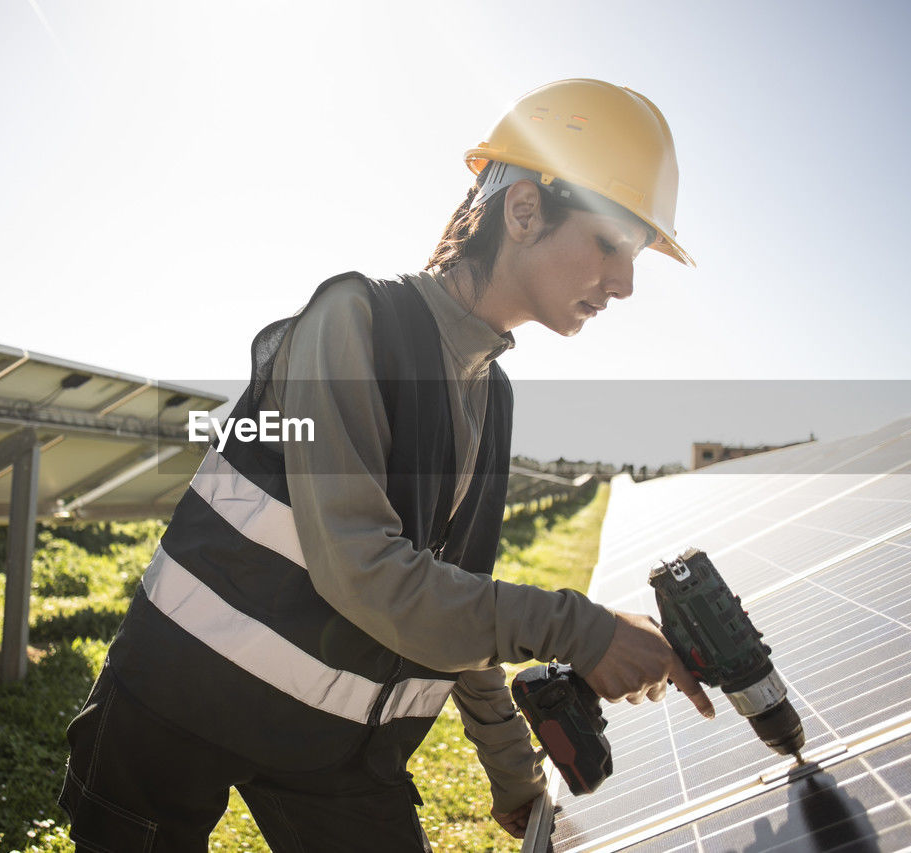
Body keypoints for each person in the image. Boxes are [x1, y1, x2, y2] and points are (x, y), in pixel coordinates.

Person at [58, 78, 715, 853]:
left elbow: (456, 604)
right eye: (610, 243)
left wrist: (512, 775)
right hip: (175, 709)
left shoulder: (489, 399)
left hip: (330, 747)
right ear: (525, 209)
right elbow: (365, 569)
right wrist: (583, 628)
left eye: (634, 257)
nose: (625, 284)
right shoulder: (355, 322)